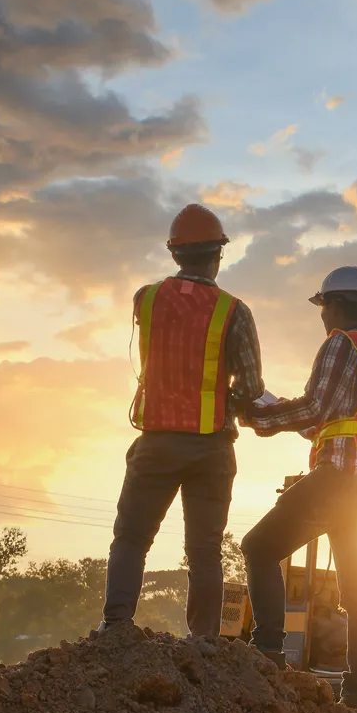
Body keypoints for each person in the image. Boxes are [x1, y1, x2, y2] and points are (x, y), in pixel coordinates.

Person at [99, 204, 265, 637]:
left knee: (132, 538)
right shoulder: (235, 311)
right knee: (205, 551)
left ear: (174, 253)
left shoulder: (146, 298)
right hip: (211, 446)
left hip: (157, 442)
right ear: (219, 254)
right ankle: (204, 644)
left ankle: (115, 627)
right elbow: (249, 388)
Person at [240, 266, 357, 710]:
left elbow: (313, 408)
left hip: (339, 481)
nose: (322, 317)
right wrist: (287, 417)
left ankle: (268, 651)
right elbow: (334, 423)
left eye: (323, 307)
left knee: (258, 547)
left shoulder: (339, 344)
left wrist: (260, 417)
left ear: (335, 305)